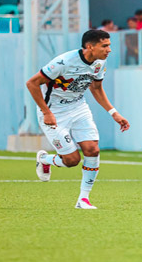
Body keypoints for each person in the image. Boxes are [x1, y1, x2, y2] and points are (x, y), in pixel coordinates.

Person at [27, 30, 130, 208]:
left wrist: (114, 113)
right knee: (72, 160)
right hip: (54, 112)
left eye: (109, 45)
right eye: (105, 46)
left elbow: (96, 88)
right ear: (90, 47)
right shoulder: (63, 62)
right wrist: (46, 113)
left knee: (92, 149)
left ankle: (83, 199)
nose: (109, 50)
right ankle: (45, 160)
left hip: (78, 108)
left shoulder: (100, 62)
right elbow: (32, 83)